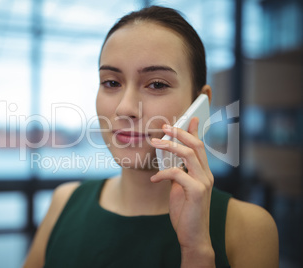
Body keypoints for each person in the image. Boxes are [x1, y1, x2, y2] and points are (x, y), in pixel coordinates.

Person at [23, 6, 279, 268]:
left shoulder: (250, 229)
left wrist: (197, 249)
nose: (125, 108)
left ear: (200, 104)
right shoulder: (64, 202)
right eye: (111, 83)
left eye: (156, 84)